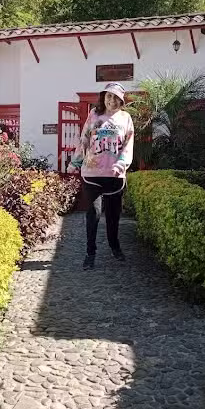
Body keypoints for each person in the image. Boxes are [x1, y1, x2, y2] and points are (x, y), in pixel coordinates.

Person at [67, 82, 135, 270]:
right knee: (94, 214)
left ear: (121, 101)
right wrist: (75, 162)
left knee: (113, 215)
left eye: (116, 98)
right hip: (92, 173)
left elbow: (128, 144)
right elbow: (84, 139)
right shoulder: (94, 115)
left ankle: (114, 246)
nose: (112, 100)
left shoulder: (126, 118)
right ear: (103, 97)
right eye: (109, 96)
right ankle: (90, 252)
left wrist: (122, 164)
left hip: (115, 175)